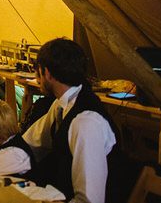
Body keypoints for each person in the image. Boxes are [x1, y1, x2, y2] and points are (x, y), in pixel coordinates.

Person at [23, 38, 121, 203]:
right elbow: (31, 142)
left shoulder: (86, 123)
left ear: (46, 72)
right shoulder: (62, 104)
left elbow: (90, 200)